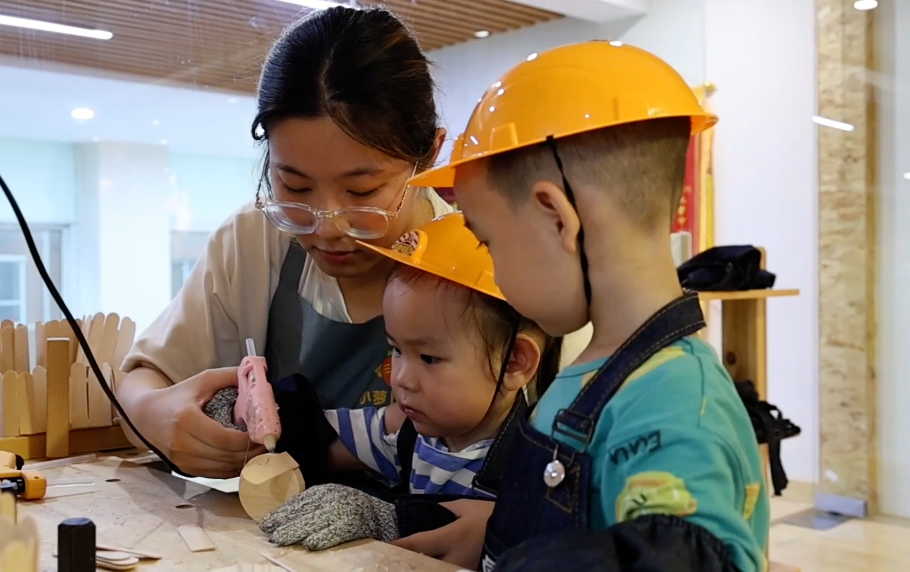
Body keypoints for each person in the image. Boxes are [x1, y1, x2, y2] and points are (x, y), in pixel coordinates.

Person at [395, 42, 769, 572]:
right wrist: (499, 529)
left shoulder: (673, 402)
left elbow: (689, 555)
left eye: (489, 242)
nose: (495, 270)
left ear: (556, 218)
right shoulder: (600, 374)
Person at [116, 5, 454, 478]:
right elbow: (142, 379)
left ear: (431, 155)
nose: (327, 227)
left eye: (362, 192)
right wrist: (157, 415)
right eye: (294, 187)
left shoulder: (485, 256)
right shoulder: (254, 240)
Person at [256, 213, 562, 551]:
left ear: (514, 362)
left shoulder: (543, 466)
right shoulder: (403, 432)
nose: (400, 379)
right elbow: (316, 434)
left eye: (428, 358)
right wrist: (254, 411)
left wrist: (391, 518)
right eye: (397, 349)